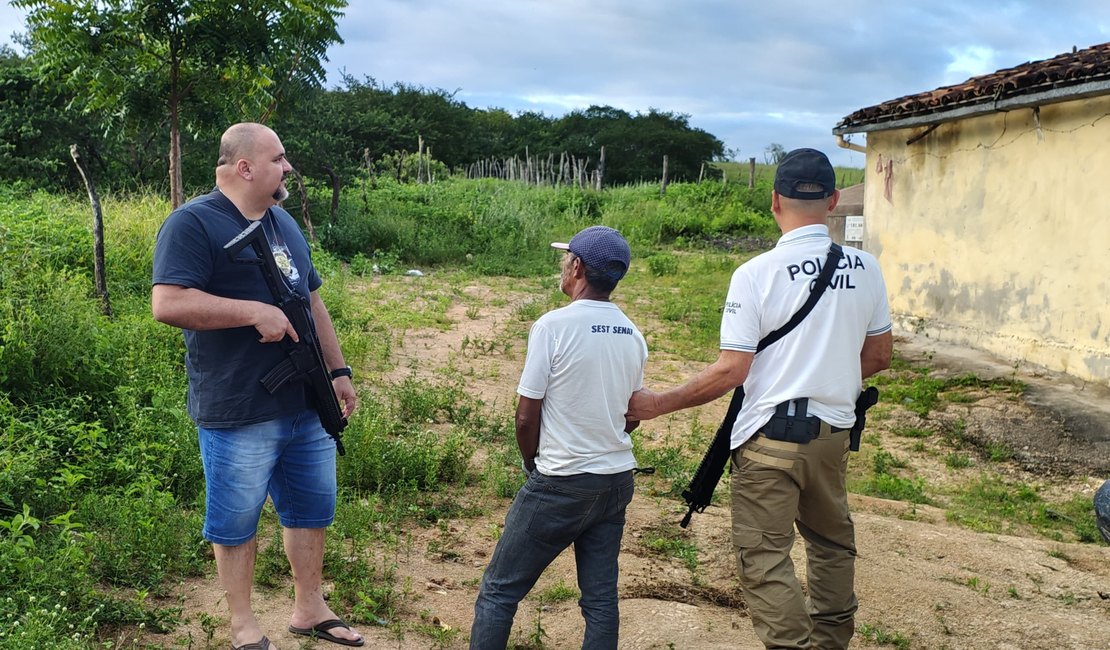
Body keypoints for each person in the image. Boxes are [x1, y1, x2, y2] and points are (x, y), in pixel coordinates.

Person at [628, 148, 893, 650]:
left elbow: (733, 370)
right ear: (834, 201)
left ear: (775, 201)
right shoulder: (867, 268)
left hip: (770, 442)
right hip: (833, 436)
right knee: (833, 545)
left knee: (765, 557)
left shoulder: (755, 274)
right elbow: (879, 356)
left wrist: (656, 403)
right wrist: (828, 376)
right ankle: (832, 642)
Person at [152, 123, 363, 650]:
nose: (287, 166)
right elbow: (168, 303)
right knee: (236, 519)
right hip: (239, 406)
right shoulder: (193, 224)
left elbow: (312, 301)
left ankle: (309, 607)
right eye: (279, 157)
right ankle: (243, 623)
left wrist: (338, 373)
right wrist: (251, 312)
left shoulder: (281, 221)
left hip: (305, 400)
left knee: (312, 508)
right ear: (244, 166)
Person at [470, 226, 648, 650]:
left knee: (499, 591)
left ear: (578, 267)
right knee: (600, 598)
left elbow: (525, 416)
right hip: (616, 479)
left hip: (562, 481)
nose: (563, 267)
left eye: (565, 260)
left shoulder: (553, 326)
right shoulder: (632, 334)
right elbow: (632, 417)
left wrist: (533, 463)